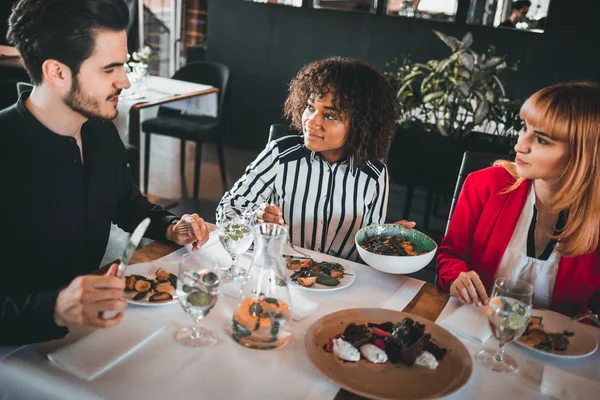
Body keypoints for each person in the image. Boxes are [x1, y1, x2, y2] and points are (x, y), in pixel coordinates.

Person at [0, 0, 211, 346]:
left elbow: (125, 202)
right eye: (109, 70)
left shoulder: (99, 129)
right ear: (57, 72)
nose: (125, 82)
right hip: (17, 357)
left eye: (123, 66)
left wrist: (172, 226)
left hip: (91, 335)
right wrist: (53, 308)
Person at [219, 57, 414, 261]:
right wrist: (252, 220)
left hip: (342, 282)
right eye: (311, 108)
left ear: (361, 125)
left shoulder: (374, 174)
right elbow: (227, 209)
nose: (311, 122)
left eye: (329, 116)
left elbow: (368, 246)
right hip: (281, 273)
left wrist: (386, 240)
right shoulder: (279, 155)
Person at [436, 82, 600, 317]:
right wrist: (457, 276)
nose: (519, 144)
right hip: (474, 325)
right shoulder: (484, 185)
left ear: (583, 155)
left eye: (541, 140)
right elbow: (450, 255)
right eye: (525, 128)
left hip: (554, 349)